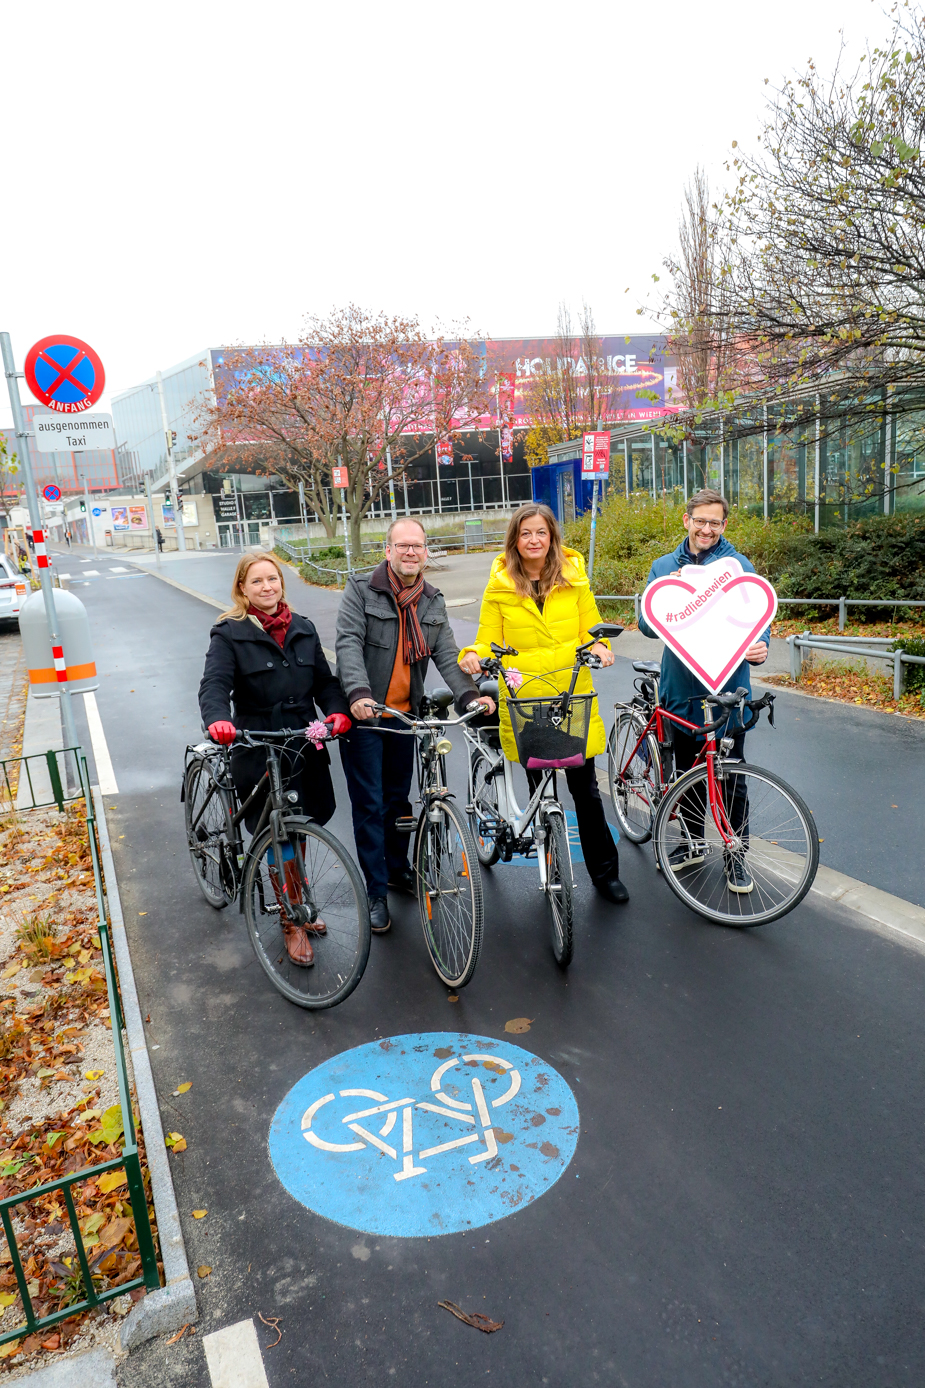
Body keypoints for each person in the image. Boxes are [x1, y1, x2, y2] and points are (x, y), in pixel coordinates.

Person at [459, 503, 629, 905]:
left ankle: (605, 874)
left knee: (586, 792)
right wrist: (472, 653)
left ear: (552, 536)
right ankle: (552, 867)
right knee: (539, 789)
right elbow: (486, 638)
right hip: (526, 698)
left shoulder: (574, 578)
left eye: (541, 533)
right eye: (525, 533)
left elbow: (593, 628)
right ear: (514, 540)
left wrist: (602, 647)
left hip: (571, 695)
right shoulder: (500, 585)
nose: (534, 540)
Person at [336, 518, 495, 935]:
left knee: (397, 800)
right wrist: (357, 694)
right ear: (387, 550)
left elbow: (447, 653)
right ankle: (375, 892)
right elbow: (348, 643)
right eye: (402, 545)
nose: (410, 552)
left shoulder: (431, 599)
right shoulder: (360, 590)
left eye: (418, 546)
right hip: (366, 718)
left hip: (406, 717)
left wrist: (469, 696)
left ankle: (395, 868)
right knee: (369, 806)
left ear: (426, 552)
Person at [198, 554, 351, 967]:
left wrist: (337, 710)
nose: (267, 587)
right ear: (242, 589)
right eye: (257, 581)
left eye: (273, 579)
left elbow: (324, 680)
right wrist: (218, 720)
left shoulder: (302, 628)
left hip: (301, 741)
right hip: (256, 742)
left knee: (300, 826)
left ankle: (297, 901)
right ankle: (290, 919)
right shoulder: (228, 633)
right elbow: (214, 684)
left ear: (282, 583)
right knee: (275, 830)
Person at [638, 487, 771, 893]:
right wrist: (664, 596)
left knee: (732, 778)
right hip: (681, 690)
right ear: (687, 520)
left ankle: (735, 856)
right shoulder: (664, 566)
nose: (707, 529)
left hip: (729, 691)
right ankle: (694, 842)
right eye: (701, 521)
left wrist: (761, 644)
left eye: (715, 522)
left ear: (724, 525)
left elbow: (757, 615)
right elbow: (644, 626)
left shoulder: (738, 565)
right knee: (688, 773)